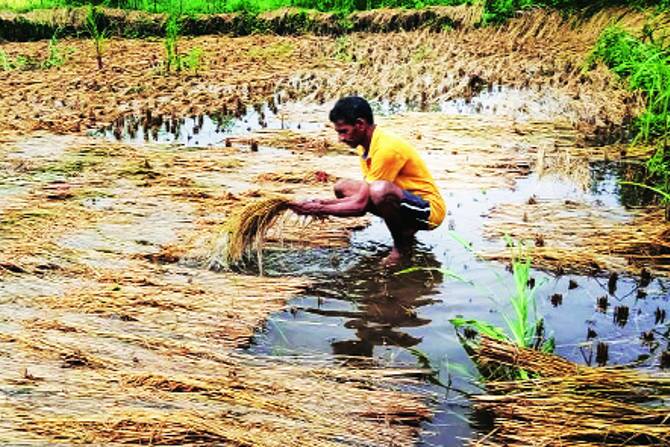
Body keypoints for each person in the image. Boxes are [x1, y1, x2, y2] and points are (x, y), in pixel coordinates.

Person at [290, 96, 446, 265]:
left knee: (380, 192)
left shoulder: (386, 148)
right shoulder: (365, 145)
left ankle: (401, 249)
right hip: (405, 200)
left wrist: (319, 208)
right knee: (342, 187)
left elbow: (360, 205)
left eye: (343, 131)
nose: (340, 139)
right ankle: (406, 230)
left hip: (428, 211)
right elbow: (363, 194)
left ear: (360, 124)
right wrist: (319, 203)